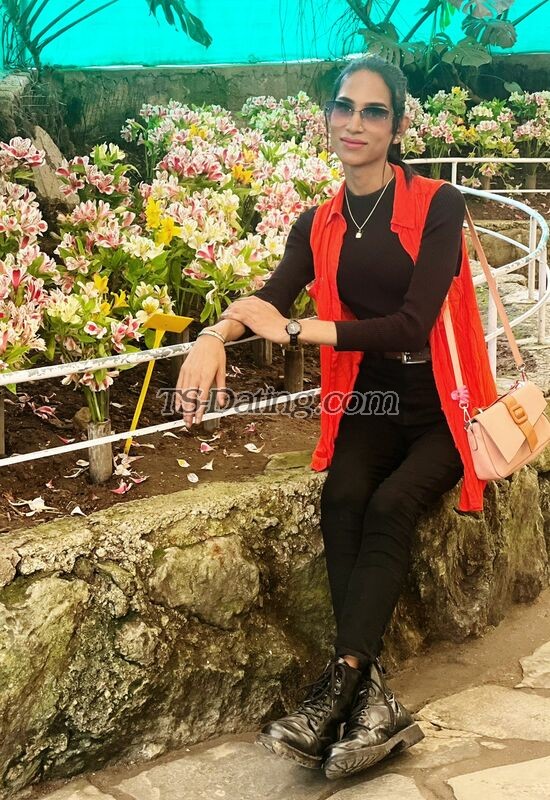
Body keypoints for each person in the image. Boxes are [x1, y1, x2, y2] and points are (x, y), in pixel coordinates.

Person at [174, 55, 498, 781]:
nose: (356, 123)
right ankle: (370, 699)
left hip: (444, 404)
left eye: (373, 111)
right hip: (374, 399)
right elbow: (269, 296)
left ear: (397, 127)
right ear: (327, 118)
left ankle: (335, 692)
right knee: (343, 496)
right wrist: (211, 337)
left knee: (390, 504)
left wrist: (297, 331)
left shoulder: (438, 205)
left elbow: (413, 323)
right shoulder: (317, 221)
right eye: (344, 107)